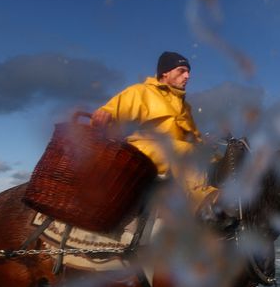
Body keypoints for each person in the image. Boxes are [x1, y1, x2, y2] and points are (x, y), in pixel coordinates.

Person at [92, 51, 226, 225]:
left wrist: (207, 147)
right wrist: (104, 116)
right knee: (185, 151)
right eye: (181, 70)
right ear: (165, 73)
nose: (187, 76)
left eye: (188, 72)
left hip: (177, 153)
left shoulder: (185, 107)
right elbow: (111, 111)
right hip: (142, 150)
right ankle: (206, 206)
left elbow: (192, 138)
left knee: (219, 159)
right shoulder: (141, 92)